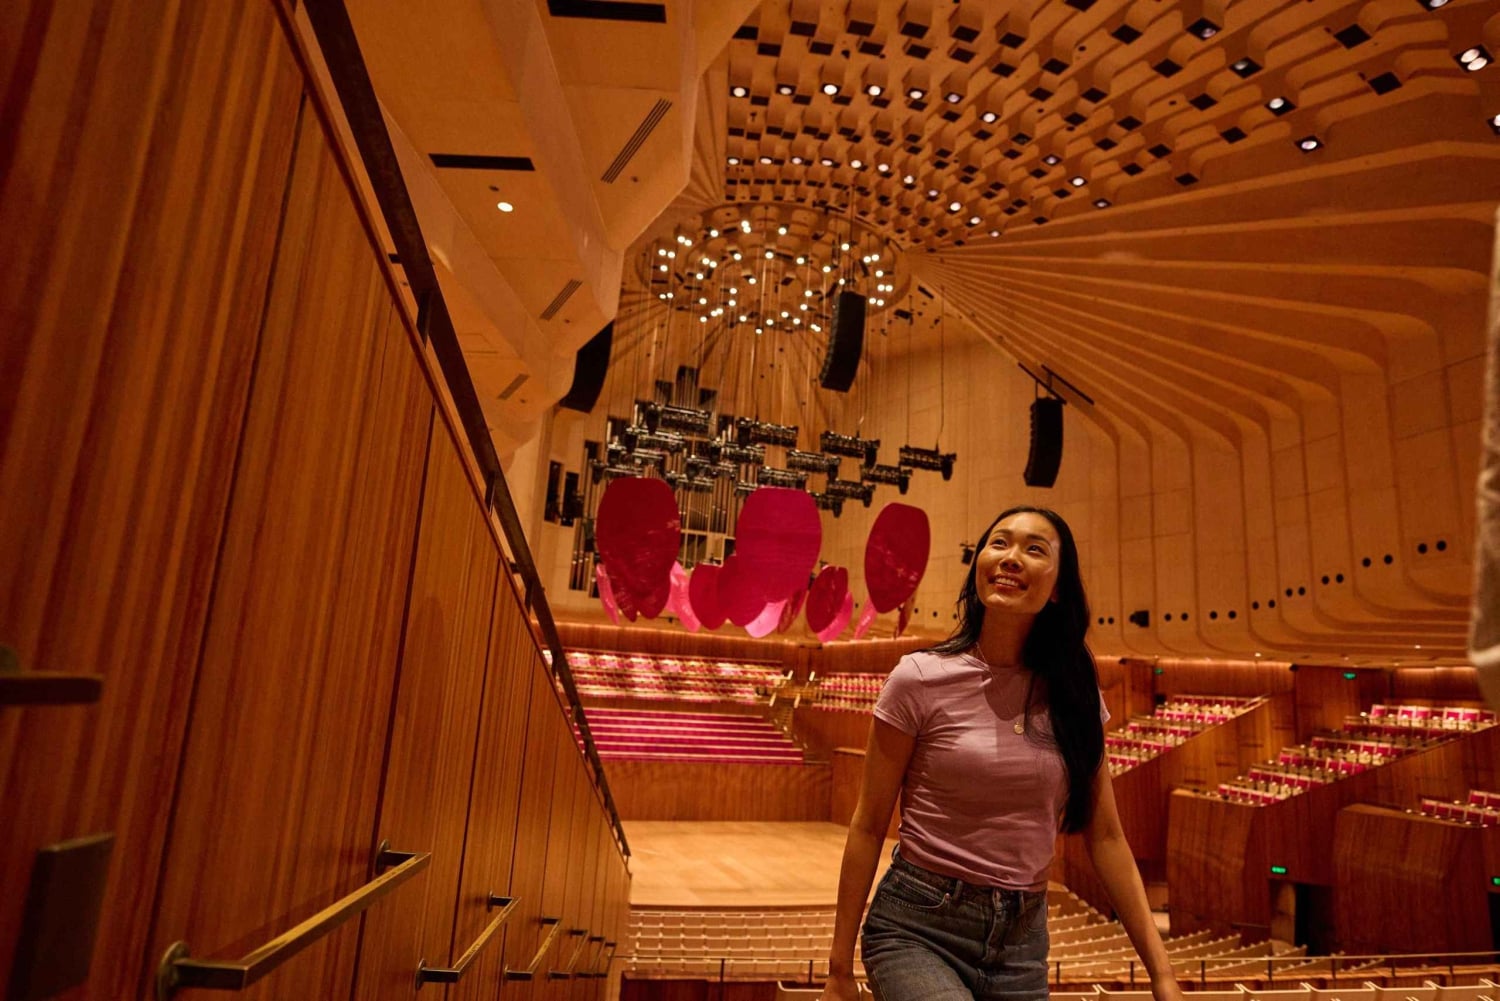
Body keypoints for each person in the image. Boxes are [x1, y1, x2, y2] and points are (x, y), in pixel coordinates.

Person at [820, 506, 1184, 1001]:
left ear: (1056, 587)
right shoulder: (919, 678)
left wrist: (1162, 975)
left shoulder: (1075, 692)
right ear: (979, 565)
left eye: (1034, 549)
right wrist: (839, 969)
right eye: (1000, 543)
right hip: (917, 926)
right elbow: (866, 824)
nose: (1012, 558)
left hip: (1022, 941)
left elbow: (1108, 837)